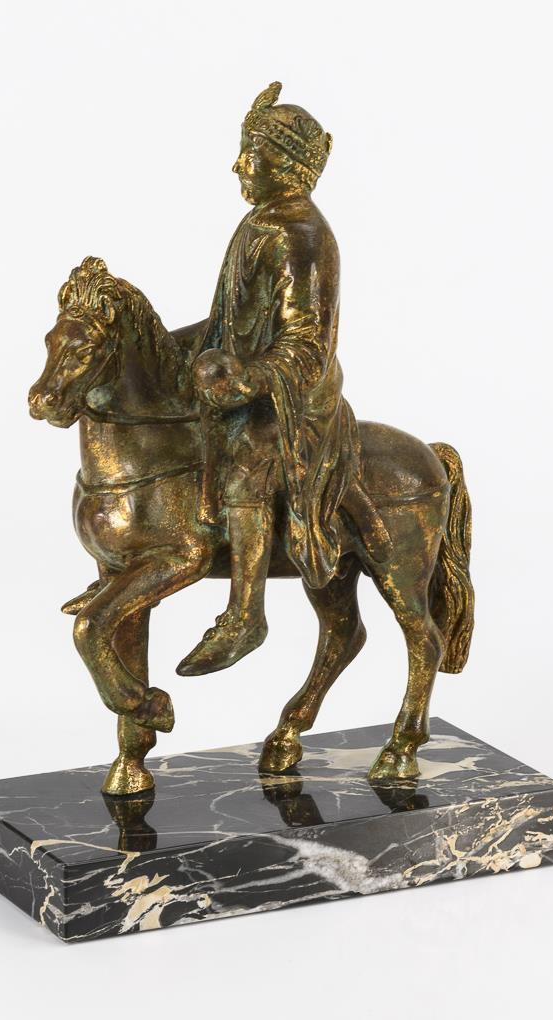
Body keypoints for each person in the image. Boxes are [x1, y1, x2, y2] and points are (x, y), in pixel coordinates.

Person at [177, 82, 387, 678]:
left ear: (288, 165)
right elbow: (225, 322)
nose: (239, 166)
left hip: (291, 396)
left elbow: (308, 342)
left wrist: (250, 377)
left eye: (252, 155)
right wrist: (160, 347)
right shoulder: (257, 223)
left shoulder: (301, 235)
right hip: (240, 379)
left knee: (248, 463)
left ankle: (246, 614)